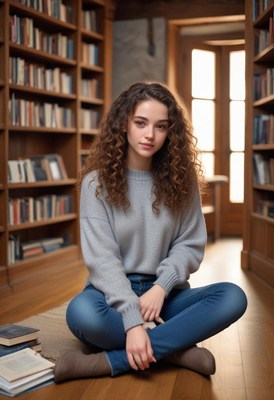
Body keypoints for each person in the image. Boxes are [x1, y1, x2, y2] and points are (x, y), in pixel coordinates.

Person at [54, 81, 247, 382]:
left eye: (161, 126)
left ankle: (110, 362)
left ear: (171, 132)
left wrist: (161, 287)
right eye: (141, 123)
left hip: (165, 295)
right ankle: (176, 350)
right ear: (124, 124)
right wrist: (131, 321)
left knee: (232, 297)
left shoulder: (184, 183)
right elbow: (102, 260)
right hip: (110, 293)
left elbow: (190, 244)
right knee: (81, 313)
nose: (150, 135)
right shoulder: (96, 184)